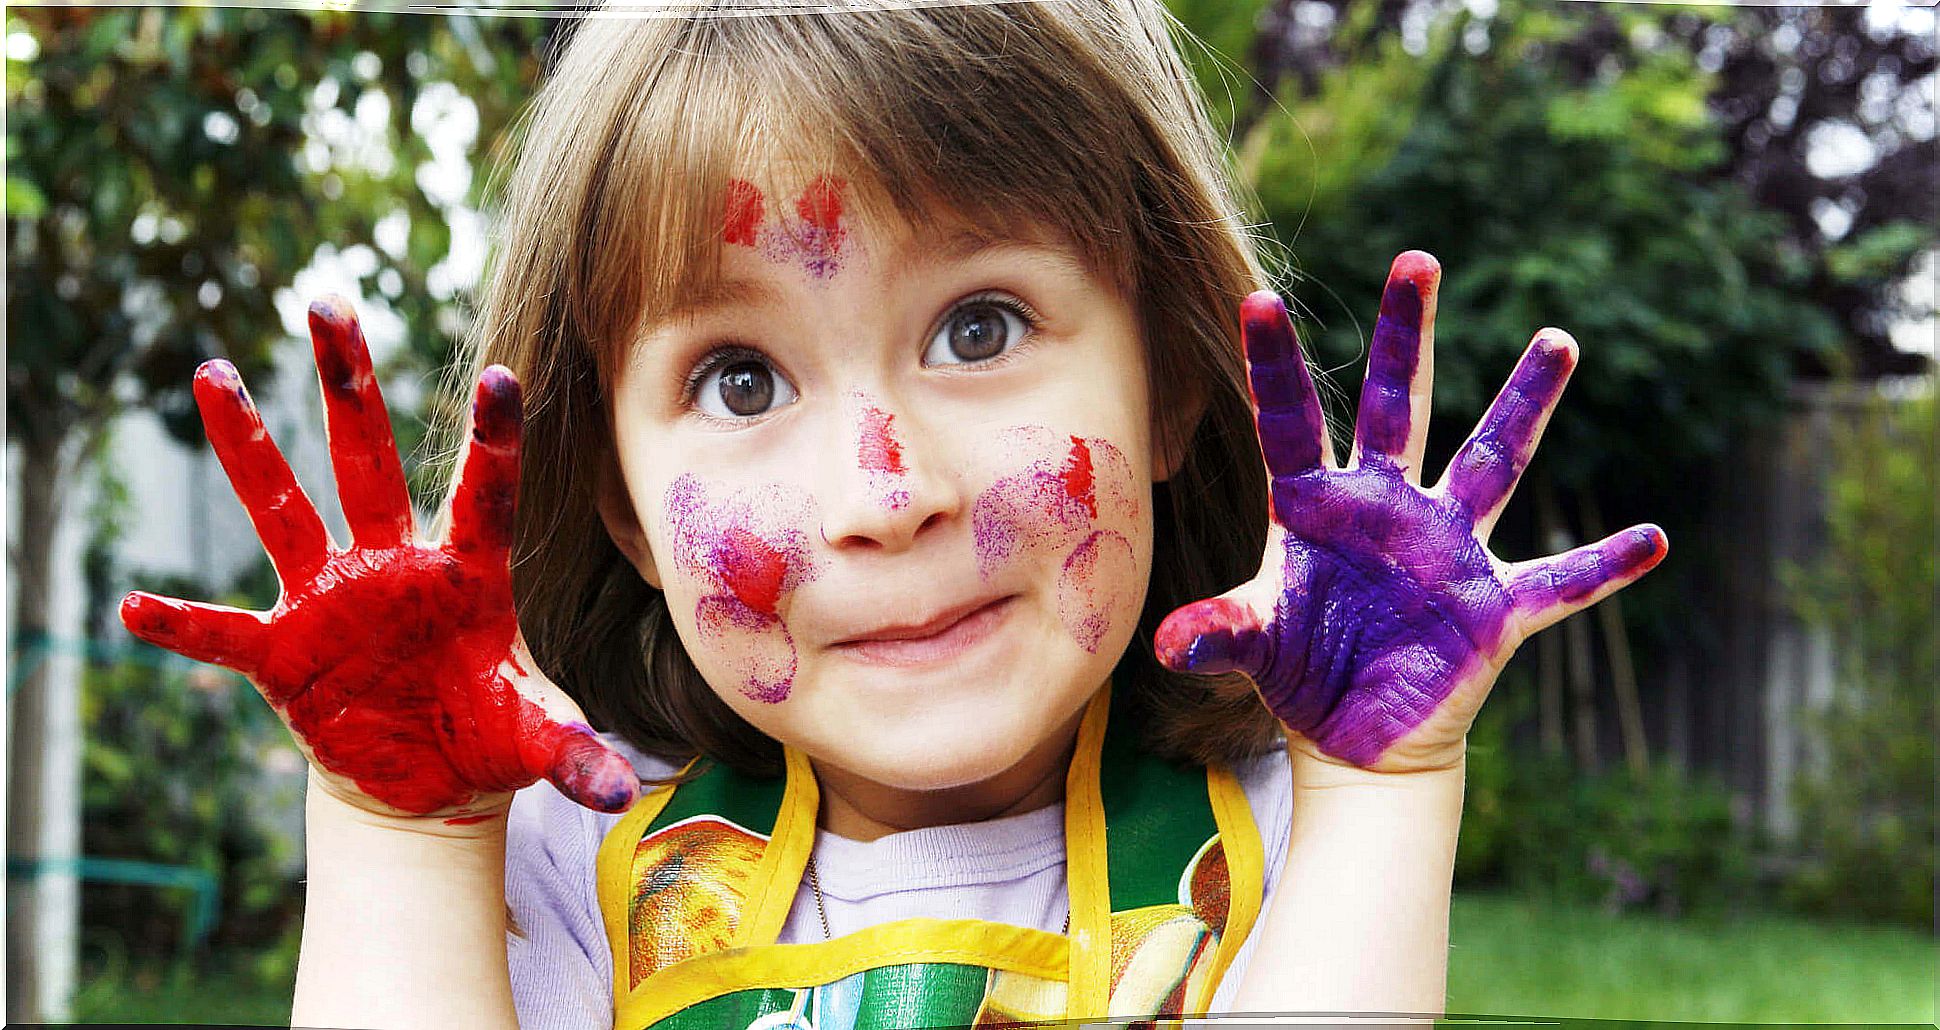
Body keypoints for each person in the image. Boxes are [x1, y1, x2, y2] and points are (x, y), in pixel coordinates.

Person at [118, 2, 1667, 1027]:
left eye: (980, 328)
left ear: (1175, 384)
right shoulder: (561, 884)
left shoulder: (1282, 854)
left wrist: (1384, 790)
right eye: (737, 379)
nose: (884, 493)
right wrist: (395, 832)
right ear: (626, 509)